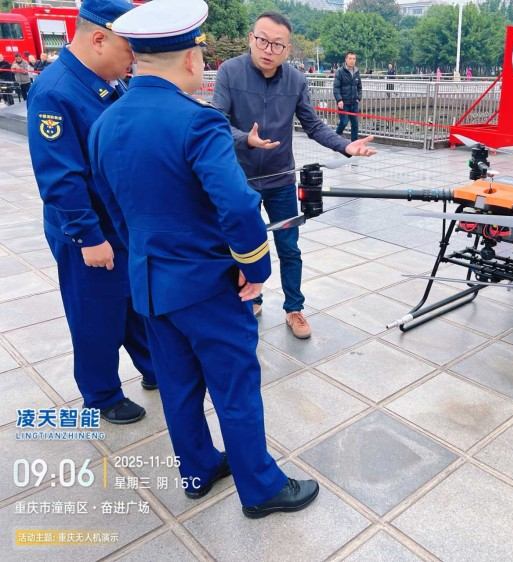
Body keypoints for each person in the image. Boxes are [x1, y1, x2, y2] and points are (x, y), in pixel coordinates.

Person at [91, 0, 320, 518]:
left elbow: (114, 208)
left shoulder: (106, 122)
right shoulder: (199, 122)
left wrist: (146, 256)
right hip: (207, 287)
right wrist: (255, 269)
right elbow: (238, 205)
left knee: (178, 386)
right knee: (235, 387)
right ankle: (261, 488)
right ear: (192, 58)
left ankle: (197, 471)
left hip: (151, 286)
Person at [27, 0, 157, 424]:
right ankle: (101, 395)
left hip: (119, 225)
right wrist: (89, 236)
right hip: (89, 230)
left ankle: (153, 367)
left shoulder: (106, 82)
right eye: (129, 50)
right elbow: (60, 178)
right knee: (96, 314)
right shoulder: (55, 91)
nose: (132, 60)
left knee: (133, 303)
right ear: (98, 38)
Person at [212, 13, 375, 339]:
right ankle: (251, 299)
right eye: (262, 40)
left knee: (289, 246)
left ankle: (294, 308)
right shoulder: (230, 71)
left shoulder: (296, 80)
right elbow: (216, 122)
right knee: (243, 245)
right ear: (251, 38)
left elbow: (312, 125)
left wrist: (345, 146)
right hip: (240, 181)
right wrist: (246, 139)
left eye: (277, 44)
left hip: (281, 179)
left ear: (287, 49)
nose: (268, 49)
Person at [333, 51, 362, 141]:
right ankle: (335, 138)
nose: (352, 61)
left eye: (354, 59)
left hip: (354, 103)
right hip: (344, 103)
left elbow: (359, 87)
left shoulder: (356, 71)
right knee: (344, 122)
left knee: (355, 124)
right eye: (350, 58)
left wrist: (358, 98)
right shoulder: (340, 72)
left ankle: (354, 142)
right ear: (346, 59)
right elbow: (336, 88)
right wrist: (339, 100)